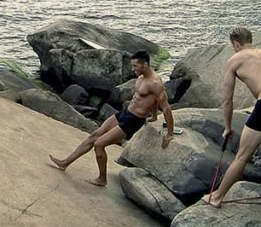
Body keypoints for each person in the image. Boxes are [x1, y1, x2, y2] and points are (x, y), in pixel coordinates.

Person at [50, 51, 174, 186]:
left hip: (133, 120)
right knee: (94, 135)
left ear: (145, 64)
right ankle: (65, 163)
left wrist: (170, 133)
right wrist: (154, 117)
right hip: (125, 112)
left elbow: (166, 107)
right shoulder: (141, 78)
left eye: (135, 66)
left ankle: (102, 179)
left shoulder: (155, 83)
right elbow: (152, 101)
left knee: (99, 144)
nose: (133, 69)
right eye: (132, 66)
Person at [208, 27, 261, 207]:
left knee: (242, 156)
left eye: (233, 46)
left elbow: (227, 100)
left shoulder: (235, 60)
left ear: (236, 43)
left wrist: (228, 127)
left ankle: (217, 197)